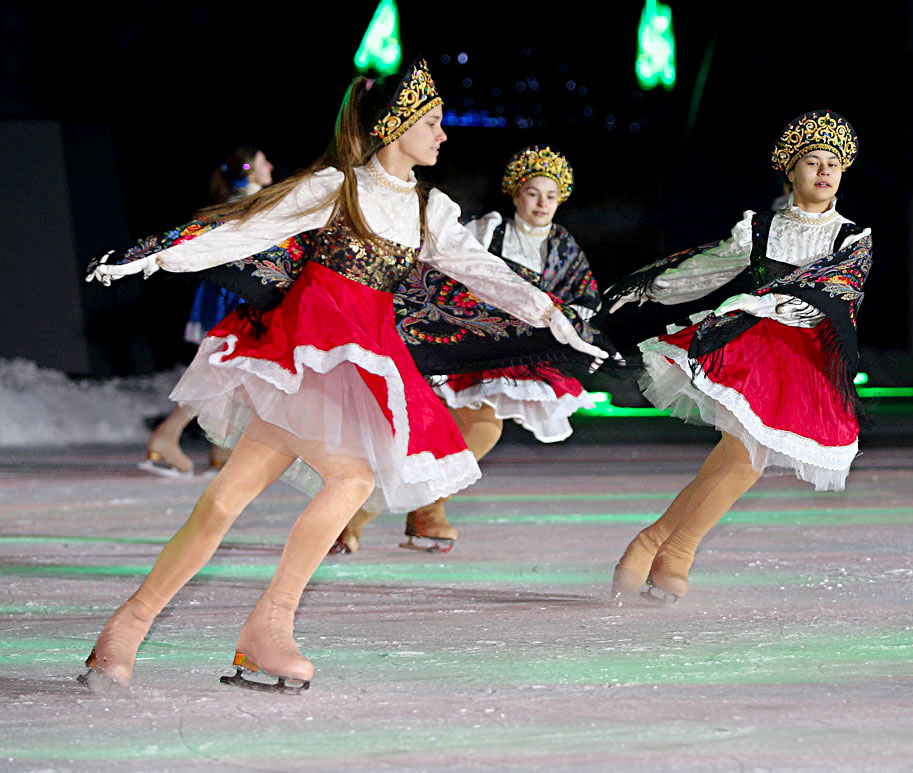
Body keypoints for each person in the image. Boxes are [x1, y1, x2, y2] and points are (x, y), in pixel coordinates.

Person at [82, 60, 606, 692]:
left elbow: (485, 273)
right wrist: (154, 256)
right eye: (433, 123)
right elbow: (245, 227)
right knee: (341, 480)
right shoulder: (338, 188)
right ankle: (260, 631)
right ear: (397, 124)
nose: (443, 136)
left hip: (359, 361)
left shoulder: (427, 209)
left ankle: (129, 632)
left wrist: (553, 317)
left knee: (227, 500)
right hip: (306, 353)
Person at [604, 110, 871, 603]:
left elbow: (834, 293)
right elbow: (706, 270)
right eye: (812, 162)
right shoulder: (759, 229)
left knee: (731, 460)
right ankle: (672, 553)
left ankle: (655, 545)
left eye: (832, 163)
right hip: (747, 352)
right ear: (790, 171)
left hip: (803, 361)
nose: (823, 172)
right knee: (744, 460)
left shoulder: (851, 238)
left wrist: (765, 300)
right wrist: (646, 290)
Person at [335, 145, 602, 554]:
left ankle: (412, 513)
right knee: (474, 430)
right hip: (464, 341)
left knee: (469, 432)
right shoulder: (489, 229)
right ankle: (390, 514)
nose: (542, 203)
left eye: (551, 195)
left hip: (515, 354)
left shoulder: (565, 247)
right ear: (515, 194)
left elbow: (584, 299)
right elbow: (444, 269)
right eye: (533, 193)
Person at [142, 146, 275, 478]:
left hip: (234, 296)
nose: (270, 165)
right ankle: (168, 436)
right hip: (238, 299)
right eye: (263, 162)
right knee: (225, 373)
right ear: (248, 172)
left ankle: (220, 447)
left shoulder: (243, 205)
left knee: (235, 375)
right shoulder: (249, 206)